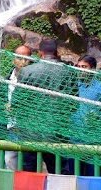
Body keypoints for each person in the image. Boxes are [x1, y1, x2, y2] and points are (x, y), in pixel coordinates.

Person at [12, 39, 77, 174]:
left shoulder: (26, 71)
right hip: (57, 131)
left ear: (40, 52)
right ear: (57, 52)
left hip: (30, 131)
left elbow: (17, 101)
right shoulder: (68, 72)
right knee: (59, 172)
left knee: (29, 172)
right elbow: (74, 102)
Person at [70, 55, 101, 176]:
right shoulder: (72, 85)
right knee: (74, 178)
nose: (80, 70)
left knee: (94, 178)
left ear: (93, 69)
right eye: (78, 67)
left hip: (94, 140)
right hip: (73, 139)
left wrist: (99, 117)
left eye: (84, 67)